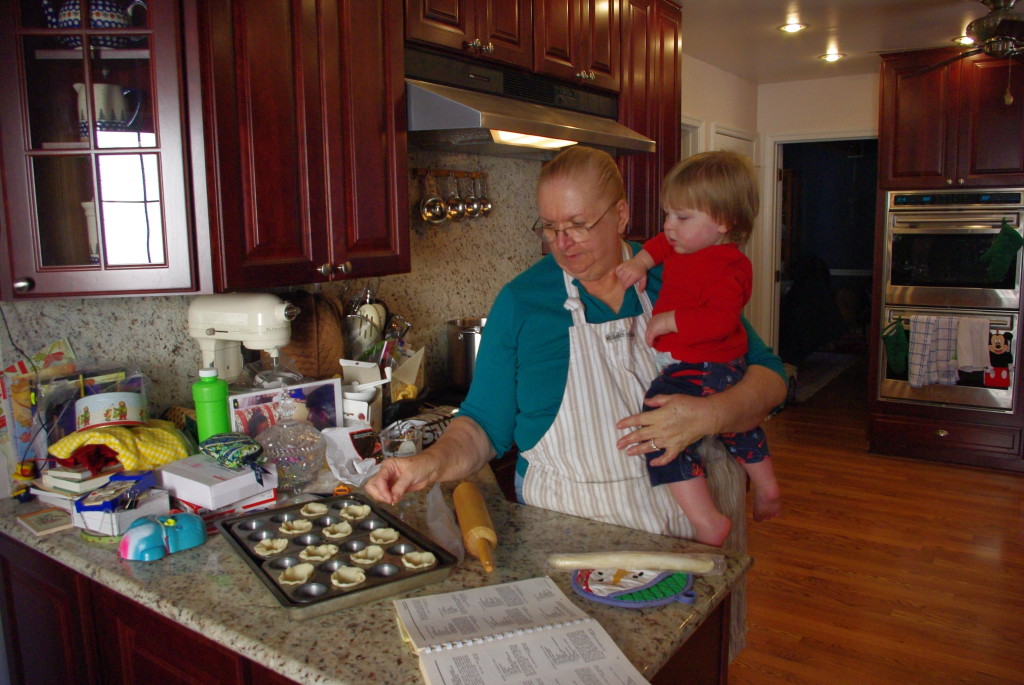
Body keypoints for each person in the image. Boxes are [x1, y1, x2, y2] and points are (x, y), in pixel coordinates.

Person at [365, 145, 786, 542]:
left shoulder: (682, 274)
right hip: (571, 530)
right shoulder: (522, 301)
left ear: (621, 214)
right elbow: (482, 426)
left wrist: (709, 415)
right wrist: (423, 465)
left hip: (692, 531)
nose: (562, 244)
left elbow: (770, 378)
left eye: (579, 225)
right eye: (550, 227)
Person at [614, 151, 781, 547]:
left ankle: (706, 519)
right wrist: (639, 262)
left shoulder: (727, 267)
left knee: (655, 419)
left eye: (682, 217)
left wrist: (669, 320)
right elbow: (659, 244)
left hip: (706, 364)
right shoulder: (686, 243)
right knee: (739, 430)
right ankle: (767, 484)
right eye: (668, 214)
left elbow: (721, 321)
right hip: (719, 366)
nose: (669, 227)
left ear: (723, 222)